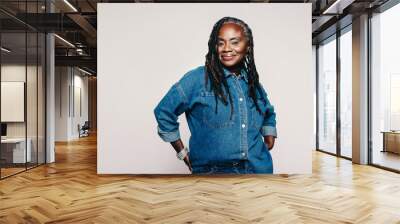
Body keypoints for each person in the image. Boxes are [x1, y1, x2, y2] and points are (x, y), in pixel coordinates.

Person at [154, 17, 277, 174]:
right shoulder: (197, 79)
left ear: (247, 47)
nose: (226, 48)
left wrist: (269, 134)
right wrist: (182, 153)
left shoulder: (253, 83)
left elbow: (268, 112)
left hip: (259, 170)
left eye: (234, 42)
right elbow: (164, 111)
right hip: (213, 174)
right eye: (220, 43)